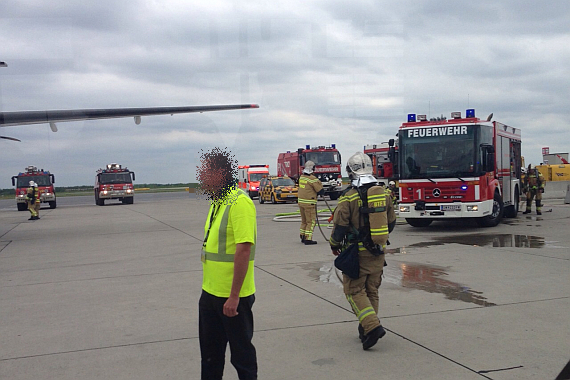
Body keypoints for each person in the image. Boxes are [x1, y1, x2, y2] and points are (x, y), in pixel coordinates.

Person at [196, 147, 258, 380]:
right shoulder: (218, 201)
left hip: (233, 297)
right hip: (210, 293)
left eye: (205, 172)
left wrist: (234, 296)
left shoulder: (239, 202)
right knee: (210, 357)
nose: (201, 177)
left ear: (220, 174)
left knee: (242, 357)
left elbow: (243, 250)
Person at [329, 152, 396, 350]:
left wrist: (334, 244)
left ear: (350, 172)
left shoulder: (348, 198)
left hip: (356, 254)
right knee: (371, 290)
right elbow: (391, 223)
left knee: (354, 290)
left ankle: (372, 327)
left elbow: (339, 227)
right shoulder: (384, 194)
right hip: (378, 251)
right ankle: (366, 328)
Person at [297, 160, 324, 245]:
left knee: (304, 221)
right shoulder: (313, 179)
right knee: (311, 222)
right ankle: (308, 239)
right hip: (309, 204)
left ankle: (302, 235)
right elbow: (320, 190)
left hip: (301, 203)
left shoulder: (302, 177)